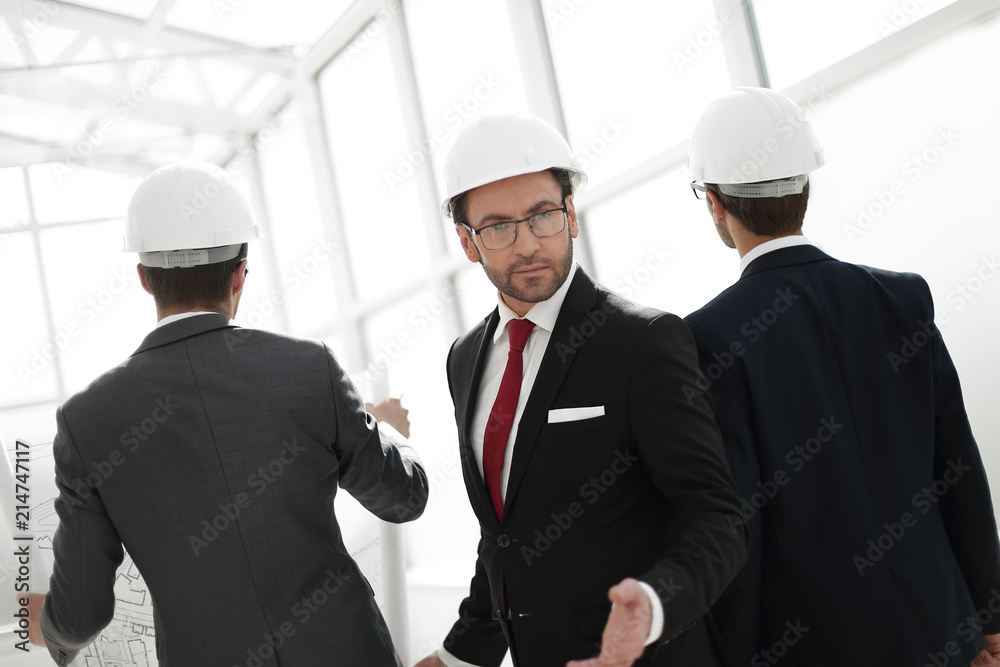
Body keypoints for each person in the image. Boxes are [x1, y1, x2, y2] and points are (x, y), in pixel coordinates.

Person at [24, 161, 428, 666]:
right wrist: (388, 429)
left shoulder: (87, 421)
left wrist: (39, 625)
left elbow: (80, 615)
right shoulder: (307, 369)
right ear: (240, 271)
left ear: (145, 278)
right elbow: (403, 497)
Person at [414, 113, 748, 667]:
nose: (526, 244)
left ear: (570, 215)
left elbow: (717, 516)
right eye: (497, 227)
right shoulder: (464, 358)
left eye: (542, 215)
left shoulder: (643, 340)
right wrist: (459, 655)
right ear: (468, 243)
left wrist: (656, 605)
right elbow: (506, 534)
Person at [683, 87, 1000, 667]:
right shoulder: (902, 297)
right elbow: (959, 466)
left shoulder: (709, 337)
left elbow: (740, 528)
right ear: (806, 185)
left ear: (714, 203)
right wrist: (989, 614)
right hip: (942, 628)